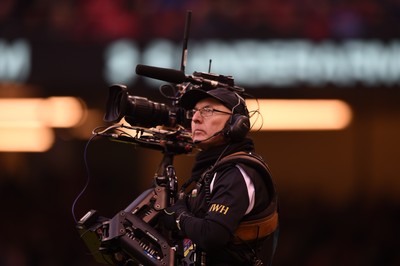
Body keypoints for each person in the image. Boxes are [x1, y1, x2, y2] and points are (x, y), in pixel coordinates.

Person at [162, 87, 279, 265]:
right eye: (194, 112)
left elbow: (211, 235)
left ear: (237, 123)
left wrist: (179, 216)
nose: (195, 118)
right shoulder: (213, 171)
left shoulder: (237, 173)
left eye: (208, 111)